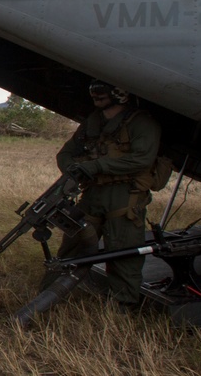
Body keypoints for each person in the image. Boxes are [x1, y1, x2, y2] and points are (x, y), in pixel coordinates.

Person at [39, 80, 161, 308]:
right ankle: (48, 298)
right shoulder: (92, 122)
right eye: (92, 89)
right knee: (72, 247)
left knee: (123, 252)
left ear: (120, 92)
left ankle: (123, 307)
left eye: (102, 90)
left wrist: (95, 167)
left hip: (125, 196)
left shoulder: (142, 123)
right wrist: (73, 170)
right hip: (92, 194)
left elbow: (142, 159)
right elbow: (65, 153)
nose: (95, 94)